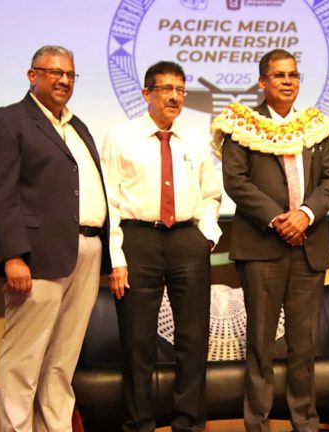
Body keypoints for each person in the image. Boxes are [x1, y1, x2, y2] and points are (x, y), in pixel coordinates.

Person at [0, 45, 111, 432]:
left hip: (86, 251)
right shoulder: (6, 122)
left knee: (62, 359)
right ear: (31, 75)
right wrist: (13, 257)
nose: (63, 80)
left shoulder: (77, 125)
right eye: (53, 72)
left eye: (69, 74)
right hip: (38, 255)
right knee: (24, 358)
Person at [217, 49, 329, 432]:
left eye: (293, 75)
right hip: (261, 248)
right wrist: (277, 219)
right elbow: (236, 181)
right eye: (279, 75)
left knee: (304, 345)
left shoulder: (314, 127)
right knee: (260, 344)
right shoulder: (244, 124)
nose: (287, 81)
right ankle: (258, 423)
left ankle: (305, 421)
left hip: (309, 246)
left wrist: (304, 215)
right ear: (263, 82)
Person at [101, 61, 221, 432]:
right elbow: (110, 201)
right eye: (166, 89)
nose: (174, 97)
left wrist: (207, 235)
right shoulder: (121, 137)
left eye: (181, 90)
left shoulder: (197, 139)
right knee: (138, 341)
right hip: (139, 240)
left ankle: (189, 423)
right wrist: (116, 256)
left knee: (193, 338)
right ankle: (139, 423)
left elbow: (211, 193)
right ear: (146, 93)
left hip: (187, 239)